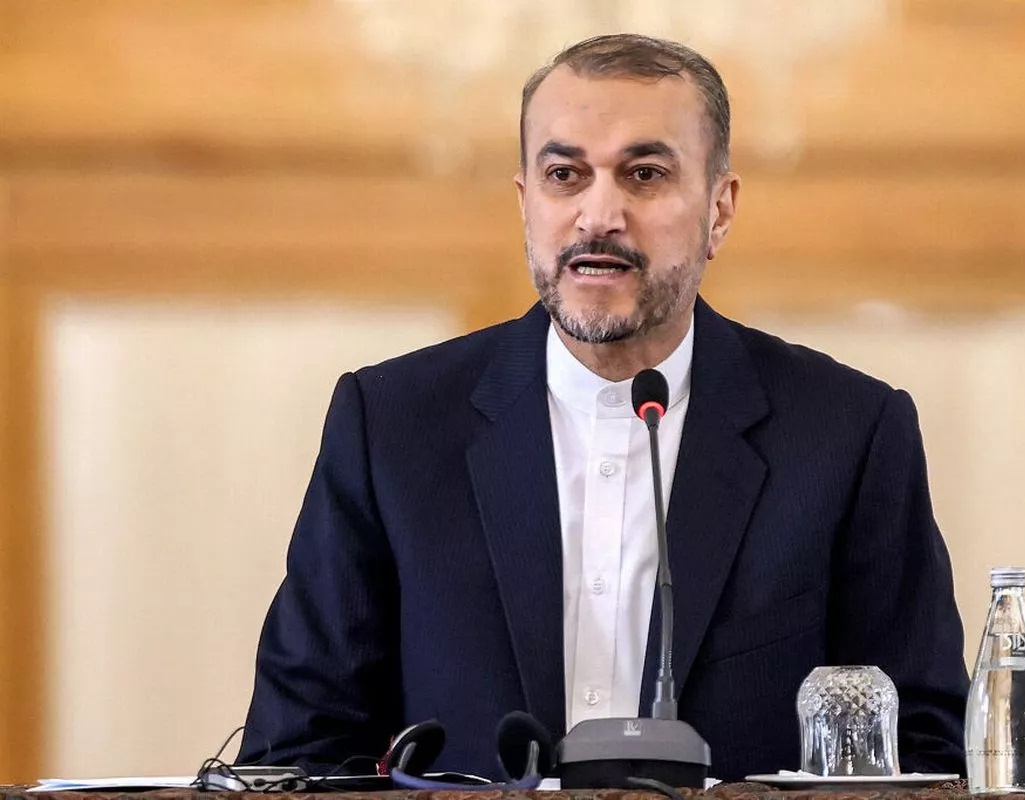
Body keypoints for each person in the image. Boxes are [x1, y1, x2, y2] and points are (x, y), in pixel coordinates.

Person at [238, 33, 969, 781]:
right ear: (526, 203)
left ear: (719, 211)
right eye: (565, 175)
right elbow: (296, 751)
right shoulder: (391, 425)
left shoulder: (846, 435)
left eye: (644, 174)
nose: (598, 215)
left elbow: (927, 754)